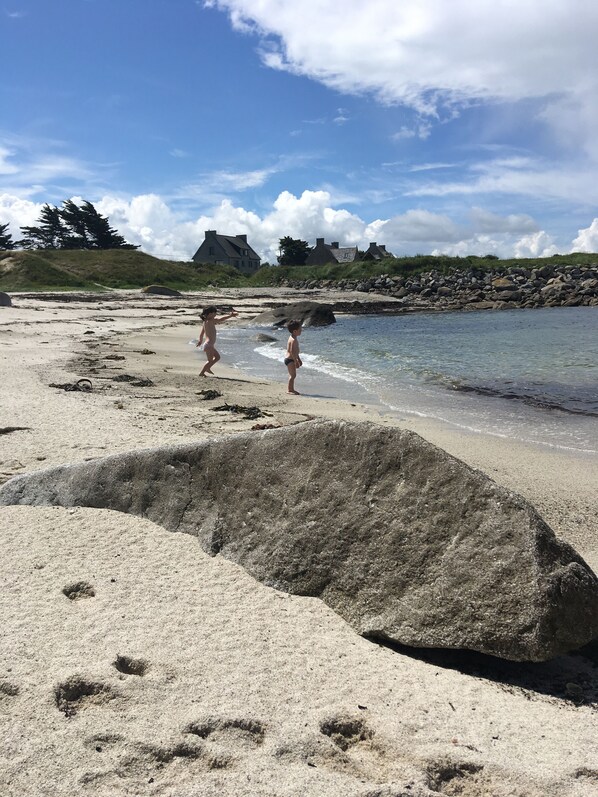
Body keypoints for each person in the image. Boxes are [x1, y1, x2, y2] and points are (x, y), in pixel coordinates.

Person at [196, 305, 238, 376]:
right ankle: (202, 372)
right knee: (210, 360)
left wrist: (200, 341)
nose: (216, 315)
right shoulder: (211, 320)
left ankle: (208, 368)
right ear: (210, 314)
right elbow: (221, 319)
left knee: (217, 357)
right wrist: (230, 316)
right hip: (209, 345)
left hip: (208, 344)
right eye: (215, 313)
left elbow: (201, 334)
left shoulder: (205, 322)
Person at [284, 320, 303, 394]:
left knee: (292, 375)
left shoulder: (293, 337)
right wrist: (295, 361)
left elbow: (295, 351)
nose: (301, 331)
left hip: (291, 359)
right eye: (300, 330)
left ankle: (291, 389)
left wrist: (299, 359)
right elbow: (292, 351)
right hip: (290, 360)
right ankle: (290, 390)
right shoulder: (293, 340)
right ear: (295, 331)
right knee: (293, 375)